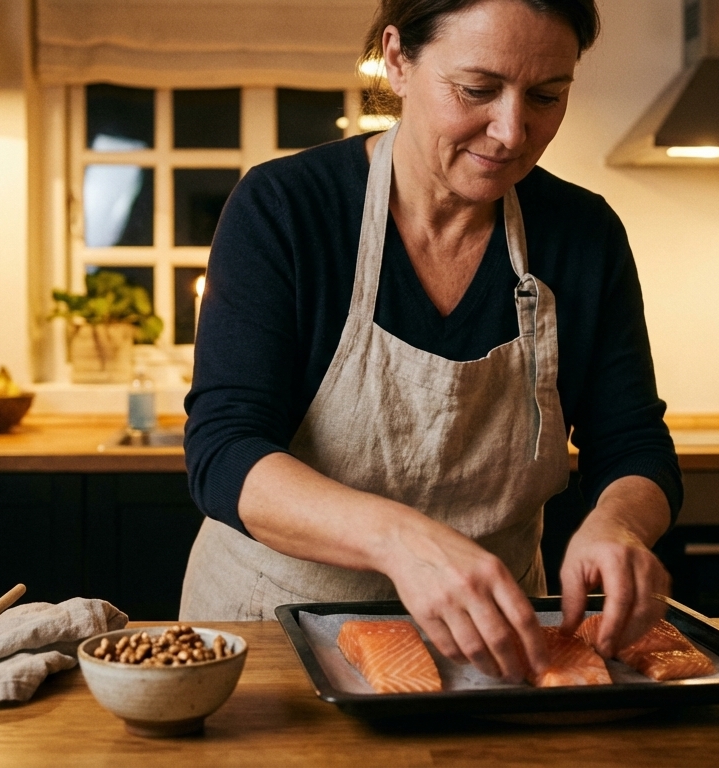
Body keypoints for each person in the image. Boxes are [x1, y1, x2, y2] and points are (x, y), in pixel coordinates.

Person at [181, 0, 681, 682]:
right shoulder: (287, 208)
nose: (511, 131)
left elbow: (632, 443)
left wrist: (620, 524)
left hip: (496, 645)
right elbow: (224, 450)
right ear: (398, 58)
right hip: (274, 628)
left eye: (546, 96)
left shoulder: (582, 234)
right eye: (477, 90)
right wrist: (400, 540)